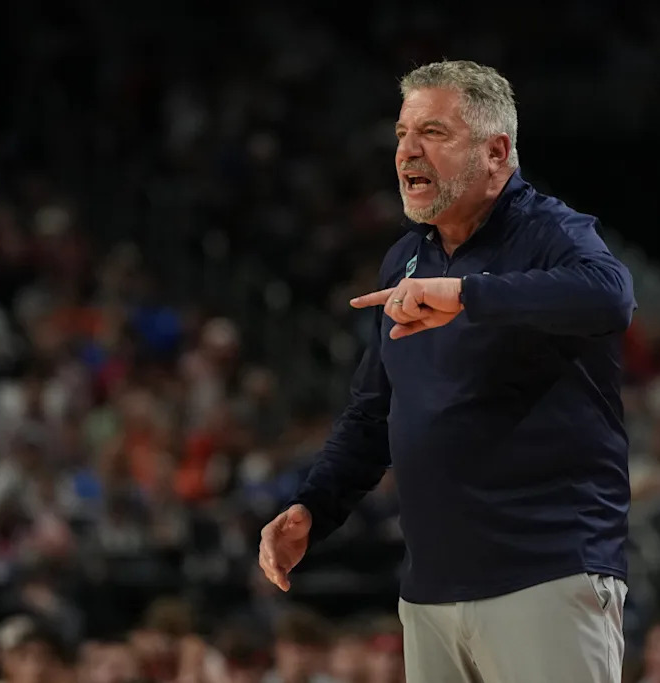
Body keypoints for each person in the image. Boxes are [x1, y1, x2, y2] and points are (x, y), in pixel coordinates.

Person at [259, 59, 636, 682]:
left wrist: (467, 294)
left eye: (433, 132)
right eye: (402, 133)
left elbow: (611, 295)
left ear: (496, 152)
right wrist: (313, 507)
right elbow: (374, 410)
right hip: (430, 589)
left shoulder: (548, 231)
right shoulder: (406, 260)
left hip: (546, 570)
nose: (407, 150)